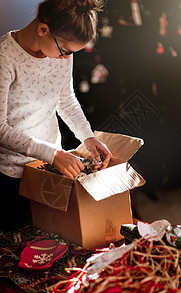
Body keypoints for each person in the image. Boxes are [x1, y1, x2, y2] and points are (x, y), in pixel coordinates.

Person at [0, 0, 111, 233]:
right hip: (11, 175)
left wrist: (88, 138)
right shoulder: (4, 58)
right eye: (66, 51)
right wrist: (53, 154)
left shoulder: (61, 54)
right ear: (43, 30)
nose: (66, 58)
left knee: (50, 236)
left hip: (49, 167)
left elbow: (66, 100)